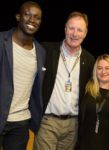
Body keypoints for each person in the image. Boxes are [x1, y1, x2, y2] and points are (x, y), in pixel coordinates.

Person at [33, 11, 95, 150]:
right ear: (65, 29)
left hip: (73, 126)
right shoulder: (46, 50)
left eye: (80, 30)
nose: (75, 33)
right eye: (71, 28)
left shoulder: (89, 60)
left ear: (85, 33)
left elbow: (97, 83)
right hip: (47, 123)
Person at [0, 1, 46, 150]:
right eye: (27, 15)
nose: (32, 20)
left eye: (37, 17)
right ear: (18, 17)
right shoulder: (1, 41)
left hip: (21, 123)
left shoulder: (40, 52)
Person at [78, 54, 109, 150]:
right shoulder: (87, 90)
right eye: (99, 68)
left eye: (107, 68)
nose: (103, 71)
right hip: (86, 145)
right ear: (95, 71)